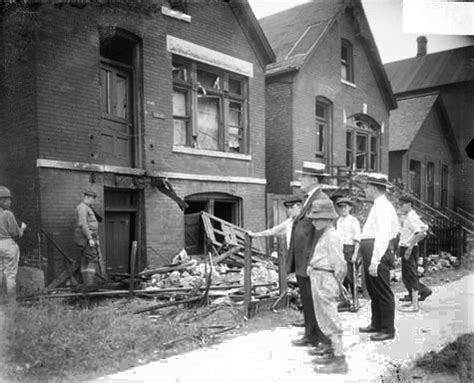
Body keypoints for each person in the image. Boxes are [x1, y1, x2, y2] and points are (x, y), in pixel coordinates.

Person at [287, 161, 331, 350]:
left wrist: (315, 261)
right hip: (304, 261)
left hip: (312, 261)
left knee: (318, 303)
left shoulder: (321, 199)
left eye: (303, 177)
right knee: (307, 299)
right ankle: (310, 336)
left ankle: (325, 343)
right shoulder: (309, 198)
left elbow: (323, 234)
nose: (299, 180)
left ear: (313, 179)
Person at [306, 199, 348, 374]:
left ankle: (339, 360)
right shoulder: (325, 234)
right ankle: (331, 352)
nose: (314, 221)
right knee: (323, 316)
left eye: (318, 218)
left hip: (326, 278)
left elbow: (339, 264)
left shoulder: (333, 236)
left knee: (330, 318)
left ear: (329, 218)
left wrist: (339, 284)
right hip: (319, 275)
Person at [359, 173, 400, 341]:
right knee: (373, 289)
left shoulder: (383, 206)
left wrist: (375, 260)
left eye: (368, 187)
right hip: (372, 249)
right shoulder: (378, 205)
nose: (365, 189)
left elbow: (383, 234)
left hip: (378, 251)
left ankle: (387, 329)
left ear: (375, 189)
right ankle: (376, 323)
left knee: (382, 290)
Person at [398, 194, 432, 311]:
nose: (400, 207)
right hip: (409, 247)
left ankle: (415, 305)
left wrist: (409, 247)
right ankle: (415, 298)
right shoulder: (412, 215)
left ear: (409, 204)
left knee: (410, 276)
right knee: (407, 276)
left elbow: (420, 233)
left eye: (402, 204)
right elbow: (425, 228)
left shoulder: (410, 218)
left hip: (408, 247)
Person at [0, 186, 26, 304]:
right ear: (3, 200)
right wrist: (22, 228)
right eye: (8, 199)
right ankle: (11, 302)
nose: (10, 202)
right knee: (10, 274)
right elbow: (16, 233)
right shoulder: (8, 214)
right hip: (8, 244)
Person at [335, 197, 361, 310]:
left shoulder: (353, 221)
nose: (343, 209)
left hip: (350, 249)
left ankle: (355, 302)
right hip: (340, 250)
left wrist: (355, 254)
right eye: (341, 207)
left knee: (351, 277)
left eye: (345, 207)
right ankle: (345, 301)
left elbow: (357, 239)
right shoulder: (339, 221)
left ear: (350, 207)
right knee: (342, 276)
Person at [74, 189, 101, 287]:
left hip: (85, 238)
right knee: (92, 259)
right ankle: (89, 284)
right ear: (88, 198)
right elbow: (83, 224)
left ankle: (87, 284)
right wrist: (89, 238)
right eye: (93, 199)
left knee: (86, 259)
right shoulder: (83, 208)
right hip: (86, 239)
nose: (94, 201)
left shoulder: (85, 207)